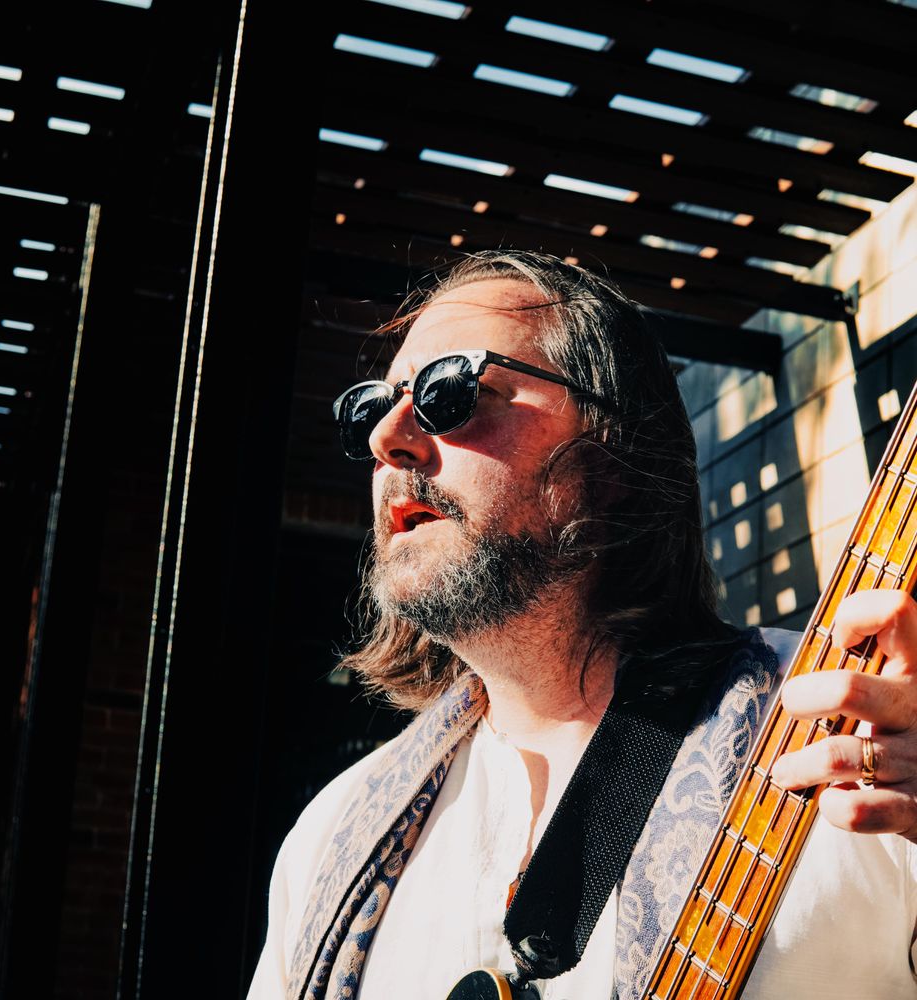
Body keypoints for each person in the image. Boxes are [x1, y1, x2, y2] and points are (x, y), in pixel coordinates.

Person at [248, 251, 917, 1000]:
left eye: (448, 391)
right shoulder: (333, 839)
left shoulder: (846, 735)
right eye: (372, 406)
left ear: (613, 452)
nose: (387, 438)